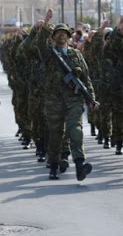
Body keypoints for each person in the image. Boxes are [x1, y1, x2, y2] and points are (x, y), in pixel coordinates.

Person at [35, 9, 98, 181]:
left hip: (73, 100)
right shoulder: (48, 53)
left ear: (69, 37)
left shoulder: (76, 55)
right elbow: (39, 43)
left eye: (65, 34)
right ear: (53, 36)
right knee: (55, 134)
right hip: (54, 100)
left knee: (75, 131)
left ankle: (79, 164)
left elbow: (86, 78)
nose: (62, 36)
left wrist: (91, 99)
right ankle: (54, 165)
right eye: (58, 33)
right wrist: (46, 23)